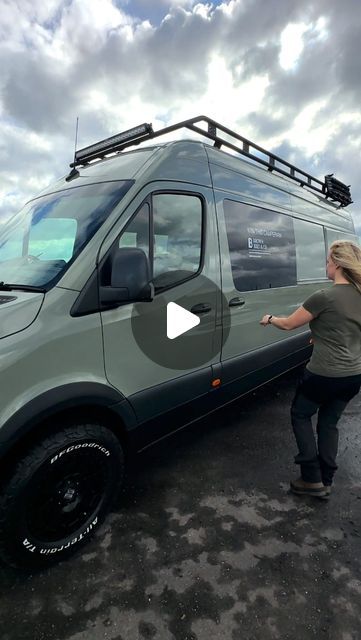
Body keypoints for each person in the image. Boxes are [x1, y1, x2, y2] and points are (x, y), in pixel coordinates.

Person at [260, 240, 361, 498]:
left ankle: (311, 478)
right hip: (352, 377)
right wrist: (323, 335)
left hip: (323, 375)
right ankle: (326, 480)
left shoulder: (324, 296)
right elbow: (347, 330)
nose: (326, 265)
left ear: (337, 264)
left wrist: (270, 318)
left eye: (328, 260)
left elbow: (289, 325)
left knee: (300, 414)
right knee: (329, 424)